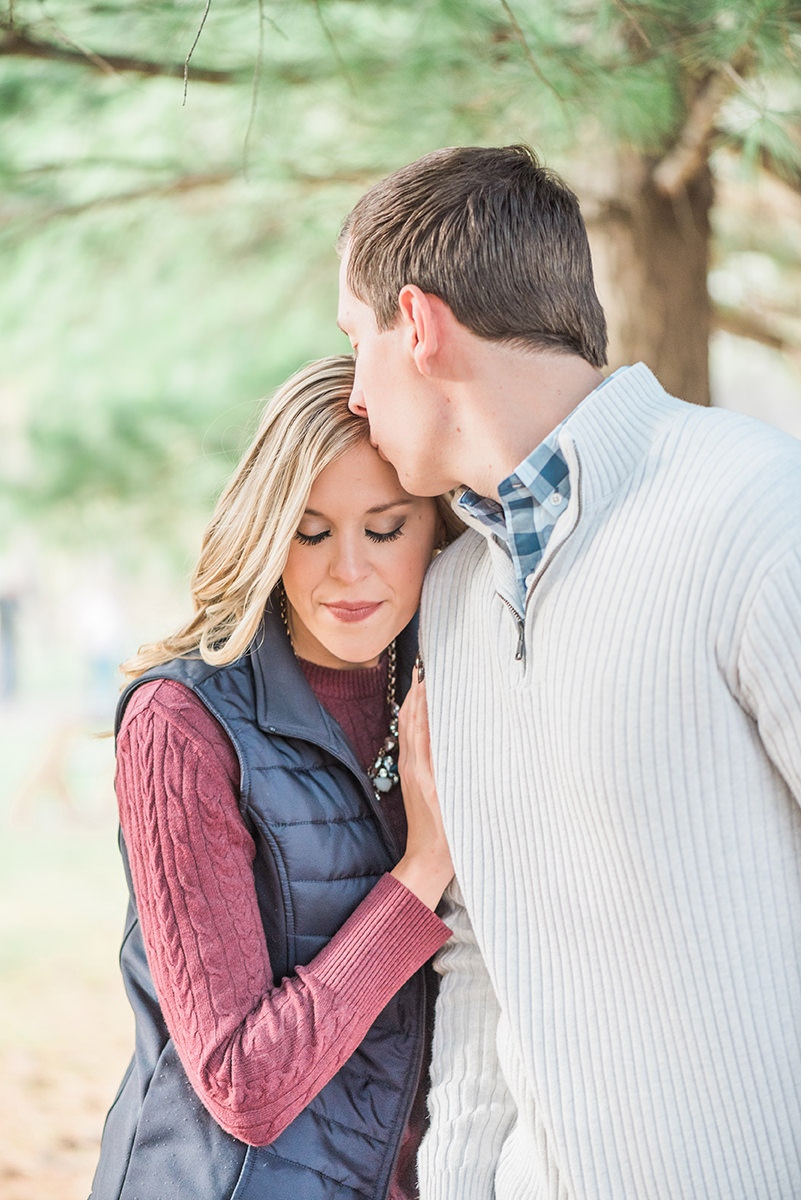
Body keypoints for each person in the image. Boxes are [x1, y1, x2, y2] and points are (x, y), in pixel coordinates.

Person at [337, 144, 801, 1199]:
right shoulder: (451, 601)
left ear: (419, 324)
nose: (355, 393)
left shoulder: (757, 510)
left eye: (354, 342)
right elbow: (481, 960)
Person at [90, 355, 462, 1200]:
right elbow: (240, 1086)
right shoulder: (180, 725)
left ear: (436, 526)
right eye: (311, 529)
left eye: (385, 527)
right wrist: (424, 866)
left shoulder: (455, 683)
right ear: (267, 528)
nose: (349, 570)